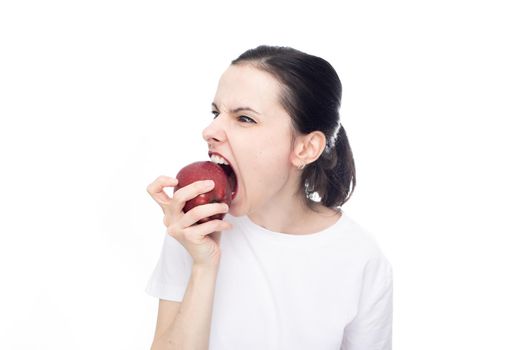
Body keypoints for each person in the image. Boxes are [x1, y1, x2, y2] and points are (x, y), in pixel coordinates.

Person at [145, 45, 393, 350]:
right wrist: (203, 266)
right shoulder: (193, 229)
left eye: (245, 118)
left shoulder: (360, 258)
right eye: (216, 113)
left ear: (305, 148)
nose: (209, 130)